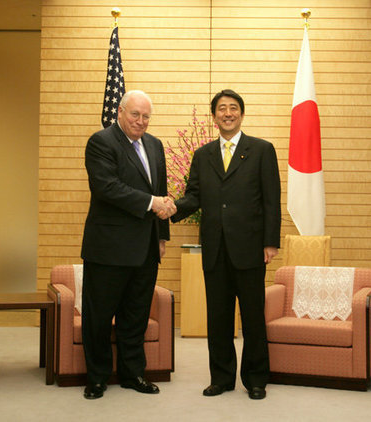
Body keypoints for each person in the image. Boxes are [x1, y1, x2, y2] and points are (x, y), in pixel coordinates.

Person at [171, 89, 281, 400]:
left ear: (242, 114)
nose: (227, 113)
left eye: (233, 108)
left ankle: (256, 379)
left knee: (253, 317)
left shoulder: (261, 150)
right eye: (222, 109)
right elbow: (194, 196)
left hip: (250, 248)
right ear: (214, 116)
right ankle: (220, 378)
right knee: (218, 318)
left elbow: (272, 200)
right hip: (216, 250)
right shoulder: (203, 155)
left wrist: (270, 243)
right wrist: (170, 209)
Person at [80, 90, 176, 399]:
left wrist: (161, 235)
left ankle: (133, 374)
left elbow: (158, 190)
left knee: (135, 316)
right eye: (135, 114)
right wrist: (152, 203)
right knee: (98, 317)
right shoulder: (101, 142)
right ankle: (96, 377)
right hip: (108, 248)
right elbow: (108, 188)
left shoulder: (154, 145)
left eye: (146, 116)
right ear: (120, 112)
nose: (141, 121)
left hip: (145, 248)